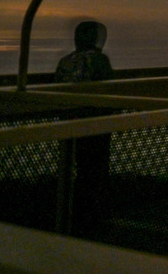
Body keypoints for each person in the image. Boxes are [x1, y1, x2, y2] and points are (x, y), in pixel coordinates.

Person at [55, 20, 114, 233]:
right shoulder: (99, 60)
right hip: (95, 124)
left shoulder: (66, 61)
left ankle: (69, 216)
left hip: (69, 123)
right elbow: (110, 91)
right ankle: (90, 220)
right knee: (94, 172)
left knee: (74, 170)